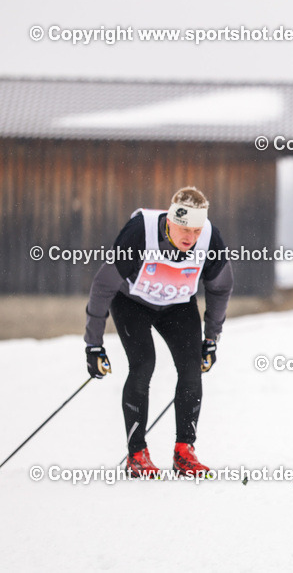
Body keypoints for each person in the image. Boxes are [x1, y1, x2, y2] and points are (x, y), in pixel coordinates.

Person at [83, 186, 233, 478]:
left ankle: (184, 453)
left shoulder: (210, 239)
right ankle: (137, 455)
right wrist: (93, 345)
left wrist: (211, 339)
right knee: (143, 365)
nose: (191, 238)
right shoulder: (141, 232)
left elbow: (221, 288)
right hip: (132, 302)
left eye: (197, 231)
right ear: (170, 221)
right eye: (184, 230)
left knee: (191, 369)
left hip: (177, 304)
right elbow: (103, 285)